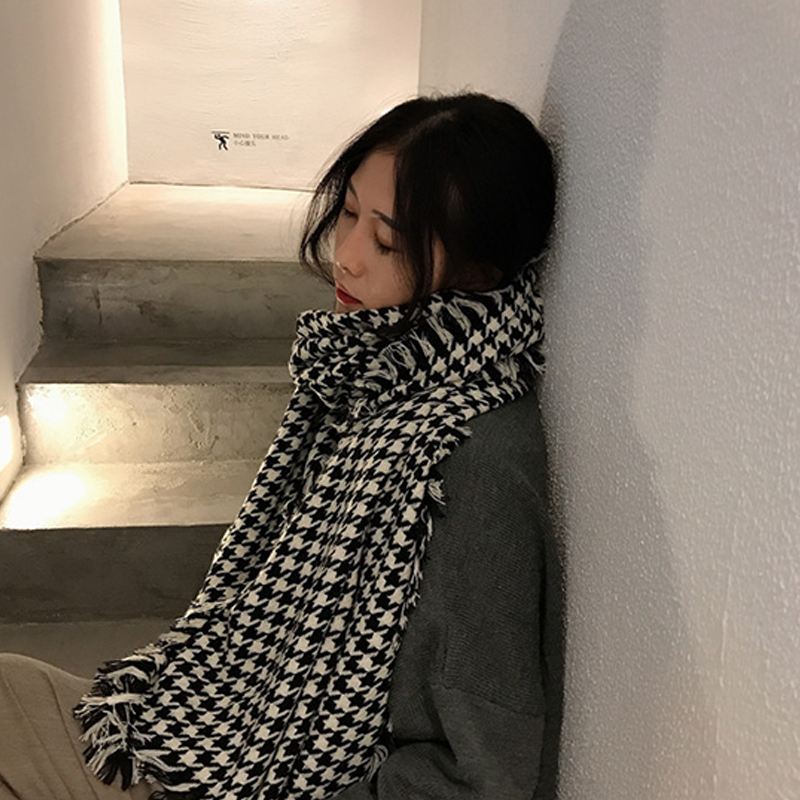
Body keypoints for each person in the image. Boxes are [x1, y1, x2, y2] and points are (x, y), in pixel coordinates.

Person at [0, 92, 563, 800]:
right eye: (349, 213)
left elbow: (481, 775)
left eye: (388, 243)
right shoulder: (366, 379)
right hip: (234, 739)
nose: (345, 257)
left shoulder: (473, 462)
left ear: (478, 274)